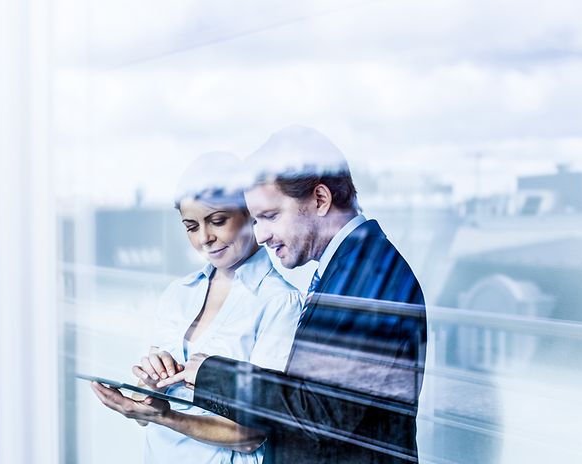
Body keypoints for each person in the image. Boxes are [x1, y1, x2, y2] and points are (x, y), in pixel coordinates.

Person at [157, 126, 428, 463]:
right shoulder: (351, 268)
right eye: (256, 220)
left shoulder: (370, 274)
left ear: (320, 199)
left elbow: (321, 411)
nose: (262, 235)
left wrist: (213, 373)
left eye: (270, 216)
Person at [91, 151, 302, 463]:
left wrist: (166, 417)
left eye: (218, 221)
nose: (205, 238)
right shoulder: (178, 294)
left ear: (250, 214)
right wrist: (145, 389)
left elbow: (253, 433)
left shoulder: (279, 303)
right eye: (191, 226)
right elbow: (146, 409)